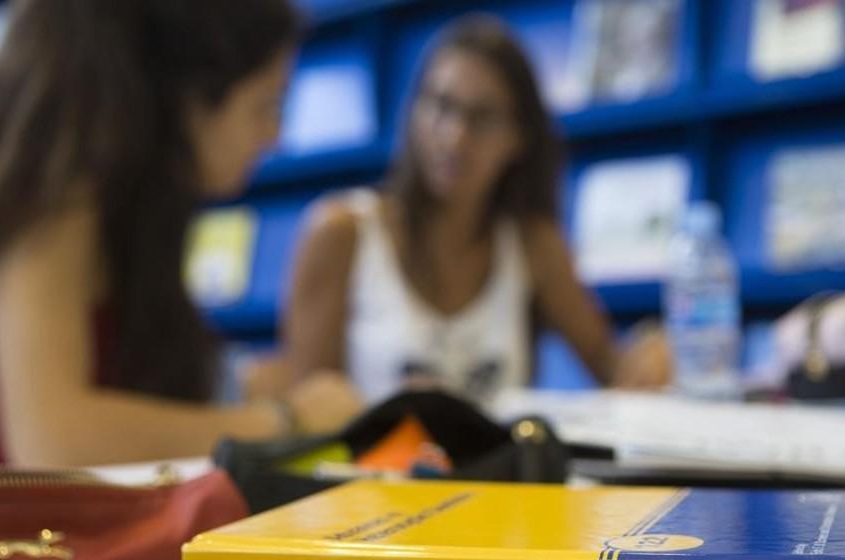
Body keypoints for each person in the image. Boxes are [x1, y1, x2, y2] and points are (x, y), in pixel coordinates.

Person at [0, 0, 362, 470]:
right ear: (187, 97)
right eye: (265, 104)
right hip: (11, 546)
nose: (274, 135)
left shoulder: (116, 204)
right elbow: (54, 439)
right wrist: (287, 422)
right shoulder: (57, 194)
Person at [282, 14, 671, 404]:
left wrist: (649, 352)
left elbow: (614, 371)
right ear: (413, 111)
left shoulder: (532, 244)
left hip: (496, 466)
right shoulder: (340, 231)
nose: (454, 136)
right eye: (440, 105)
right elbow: (309, 419)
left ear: (519, 139)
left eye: (482, 118)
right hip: (375, 465)